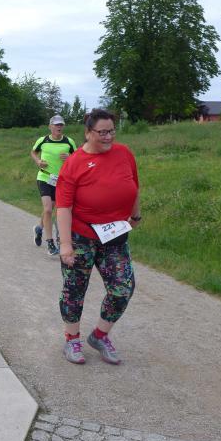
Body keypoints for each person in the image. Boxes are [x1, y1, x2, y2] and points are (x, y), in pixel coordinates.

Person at [55, 108, 141, 365]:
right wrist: (66, 245)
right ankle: (72, 339)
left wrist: (135, 216)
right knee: (74, 289)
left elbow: (134, 186)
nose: (108, 137)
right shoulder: (74, 163)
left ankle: (100, 336)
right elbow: (64, 207)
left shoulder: (124, 153)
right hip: (80, 236)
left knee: (123, 288)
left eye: (112, 131)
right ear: (88, 133)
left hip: (114, 234)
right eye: (102, 132)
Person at [30, 115, 77, 256]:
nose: (59, 127)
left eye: (61, 125)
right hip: (44, 177)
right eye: (56, 125)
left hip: (61, 181)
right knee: (48, 209)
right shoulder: (43, 140)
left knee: (50, 208)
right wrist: (38, 161)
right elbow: (33, 152)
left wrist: (70, 158)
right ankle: (50, 243)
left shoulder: (69, 142)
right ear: (50, 126)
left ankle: (39, 228)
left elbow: (78, 158)